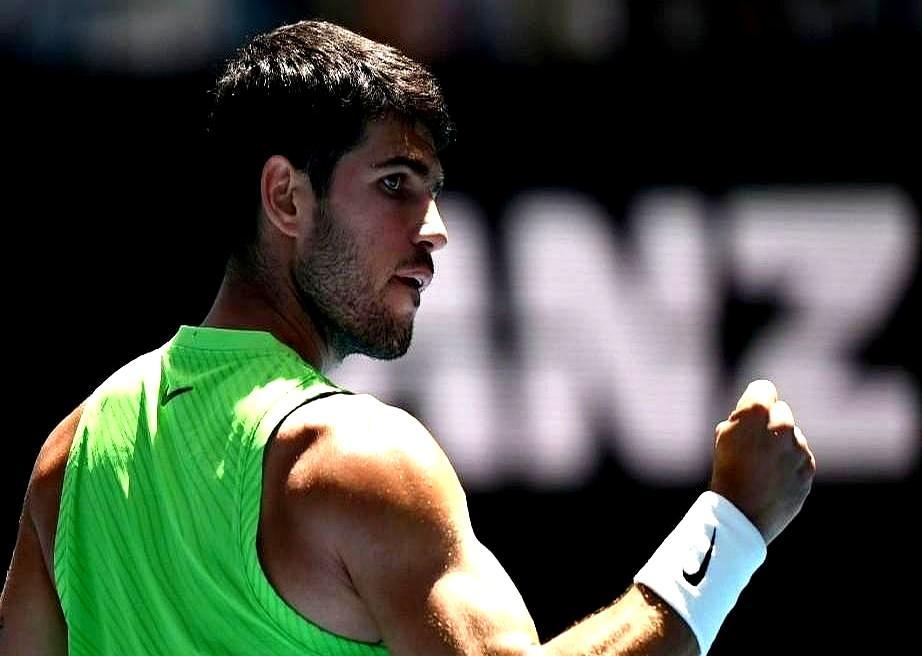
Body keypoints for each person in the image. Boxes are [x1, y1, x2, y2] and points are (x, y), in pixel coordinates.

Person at [0, 20, 815, 656]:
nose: (435, 231)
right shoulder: (358, 459)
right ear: (286, 197)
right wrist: (732, 525)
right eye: (396, 184)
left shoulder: (67, 462)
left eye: (433, 192)